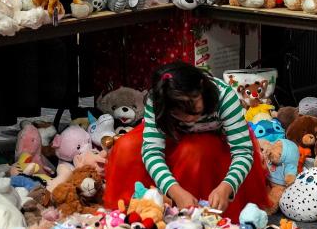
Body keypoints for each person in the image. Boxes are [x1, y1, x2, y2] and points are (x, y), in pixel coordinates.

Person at [103, 62, 270, 218]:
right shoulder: (157, 100)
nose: (188, 117)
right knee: (126, 146)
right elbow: (152, 152)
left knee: (195, 151)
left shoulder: (224, 97)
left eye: (193, 106)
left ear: (202, 86)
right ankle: (136, 213)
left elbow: (242, 151)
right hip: (172, 136)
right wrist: (174, 190)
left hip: (213, 143)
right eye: (177, 113)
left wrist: (227, 186)